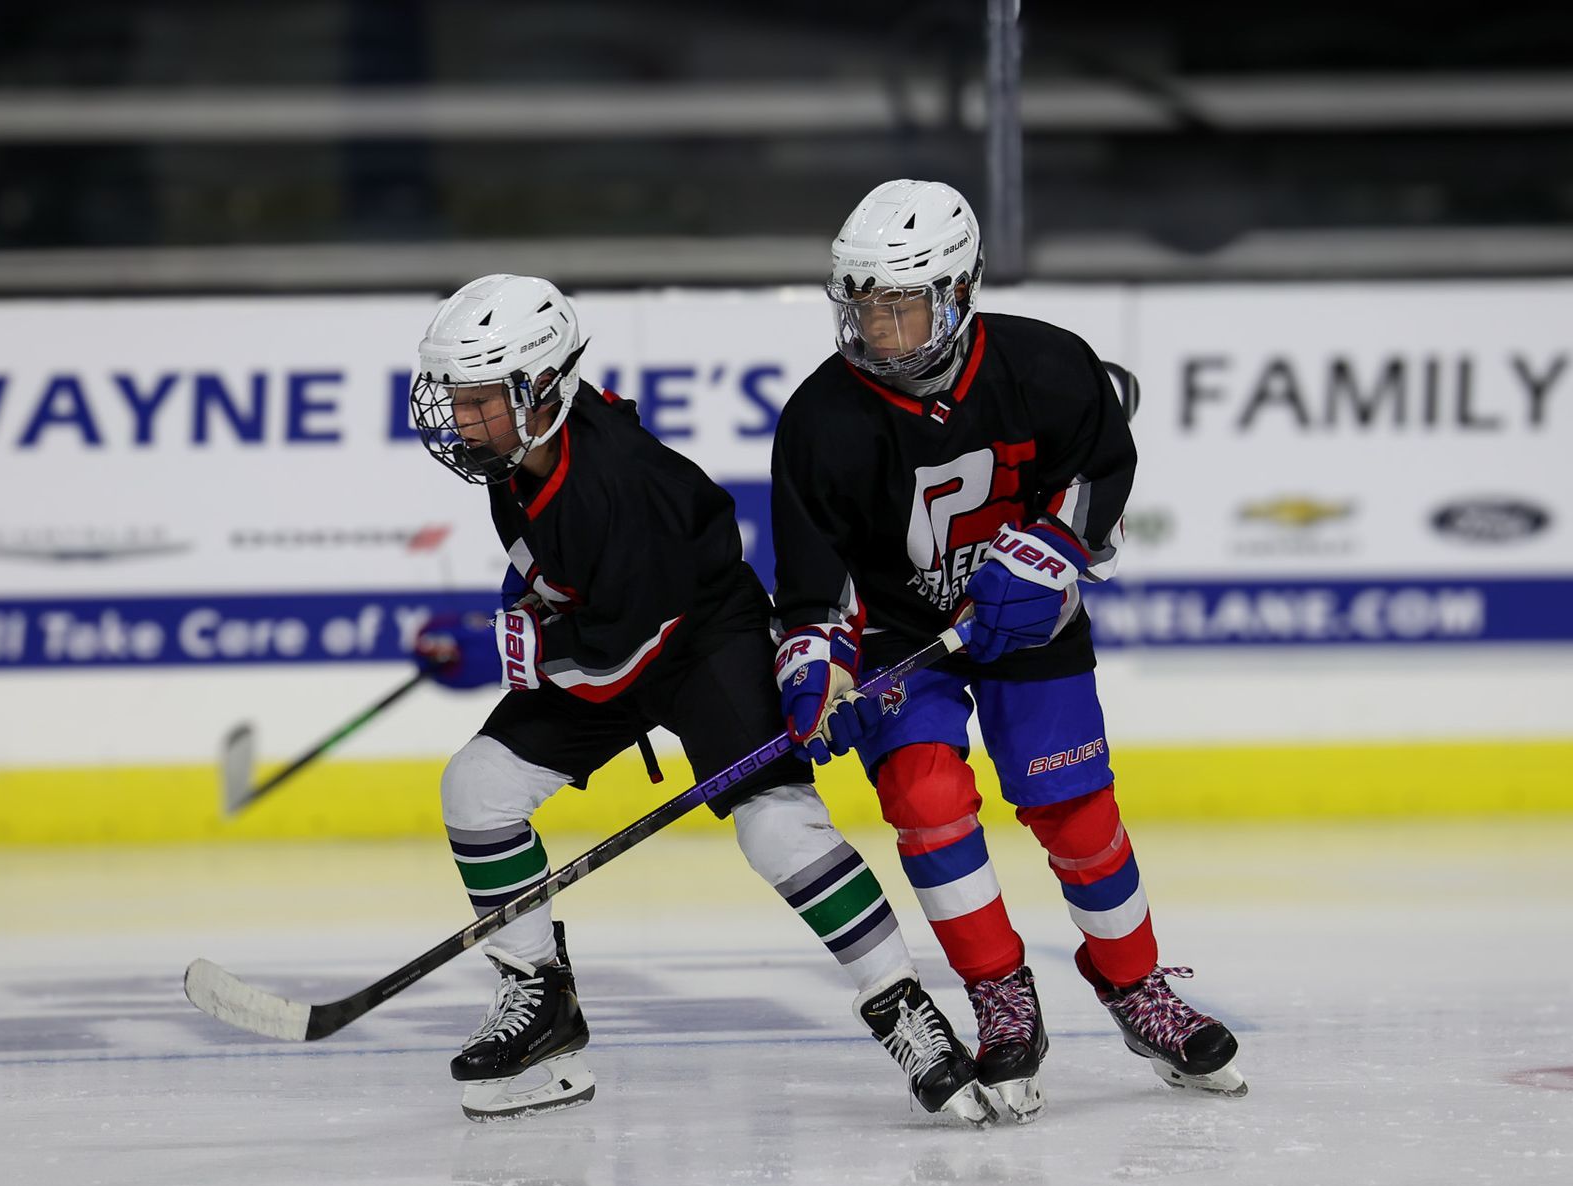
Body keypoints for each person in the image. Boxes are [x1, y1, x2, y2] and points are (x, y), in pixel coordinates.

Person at [406, 273, 994, 1124]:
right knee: (477, 789)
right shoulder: (523, 451)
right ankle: (541, 1004)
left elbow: (619, 662)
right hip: (615, 633)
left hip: (701, 642)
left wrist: (530, 646)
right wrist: (527, 602)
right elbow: (578, 585)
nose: (462, 419)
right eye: (457, 398)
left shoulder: (612, 484)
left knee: (779, 828)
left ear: (540, 391)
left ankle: (904, 1009)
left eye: (480, 400)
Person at [768, 180, 1247, 1122]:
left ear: (959, 290)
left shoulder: (1047, 364)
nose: (880, 331)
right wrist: (816, 663)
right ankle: (998, 993)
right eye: (864, 307)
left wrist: (1054, 550)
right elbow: (816, 583)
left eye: (902, 307)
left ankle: (1132, 985)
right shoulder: (821, 419)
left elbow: (1101, 469)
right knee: (927, 802)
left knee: (1074, 806)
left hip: (1030, 619)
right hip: (906, 638)